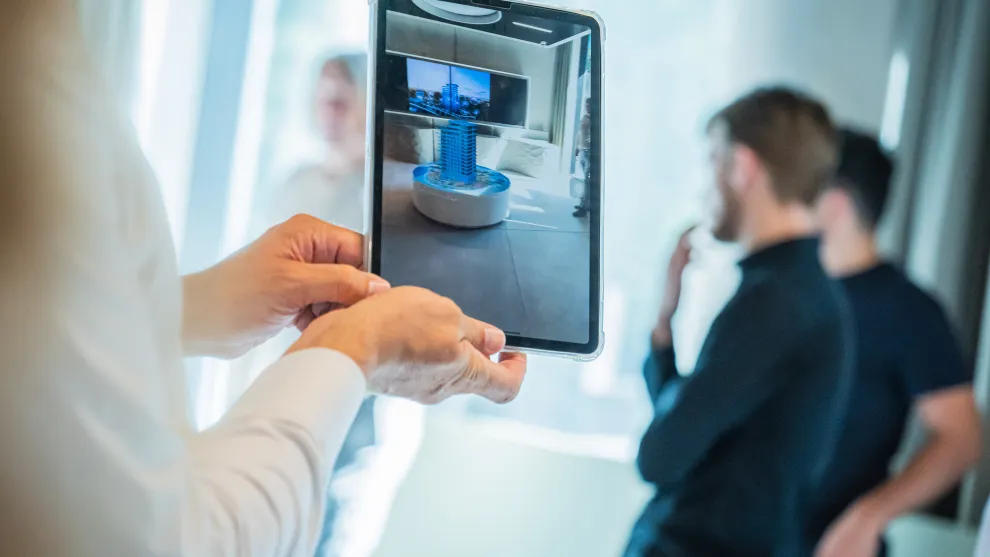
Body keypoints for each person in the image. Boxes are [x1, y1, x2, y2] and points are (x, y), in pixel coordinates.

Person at [0, 2, 526, 556]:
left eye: (342, 100)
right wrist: (354, 348)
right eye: (324, 99)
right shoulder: (38, 100)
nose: (331, 113)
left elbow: (49, 331)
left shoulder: (56, 82)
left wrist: (190, 310)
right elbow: (153, 539)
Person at [625, 87, 852, 557]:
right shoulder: (798, 293)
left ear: (743, 166)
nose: (704, 188)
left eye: (713, 160)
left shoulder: (776, 302)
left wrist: (664, 330)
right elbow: (689, 430)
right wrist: (666, 320)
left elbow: (660, 457)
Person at [810, 129, 982, 557]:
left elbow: (962, 437)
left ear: (835, 203)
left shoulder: (908, 310)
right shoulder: (786, 295)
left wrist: (868, 517)